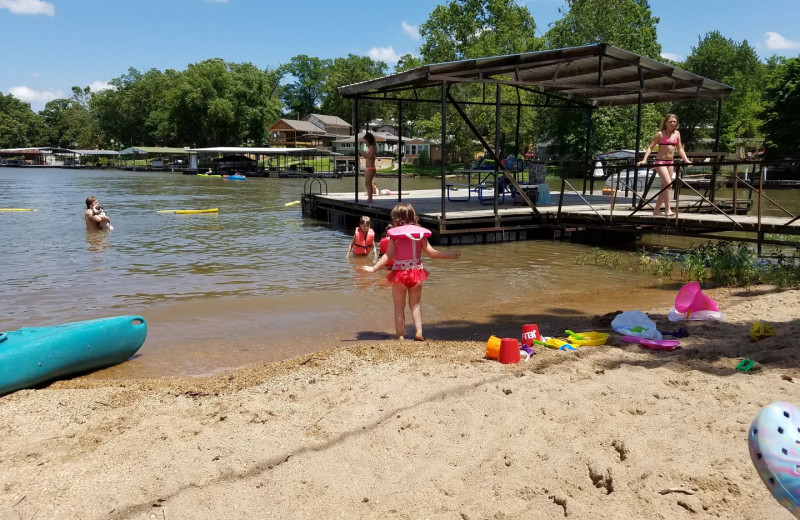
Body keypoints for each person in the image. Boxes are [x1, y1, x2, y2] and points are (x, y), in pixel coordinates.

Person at [362, 202, 461, 341]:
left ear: (395, 219)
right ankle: (419, 332)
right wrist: (449, 255)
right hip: (416, 274)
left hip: (399, 275)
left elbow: (388, 255)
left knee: (399, 307)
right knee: (416, 305)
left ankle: (400, 335)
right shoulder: (419, 234)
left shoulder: (394, 236)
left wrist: (374, 268)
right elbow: (432, 253)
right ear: (414, 217)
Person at [637, 113, 692, 216]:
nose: (673, 123)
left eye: (675, 122)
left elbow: (680, 149)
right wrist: (644, 160)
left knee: (664, 186)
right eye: (670, 121)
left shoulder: (677, 134)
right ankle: (668, 210)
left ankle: (657, 210)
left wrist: (686, 160)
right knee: (668, 184)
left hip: (670, 162)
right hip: (660, 162)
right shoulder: (660, 134)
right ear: (666, 123)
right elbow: (650, 147)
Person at [359, 132, 378, 202]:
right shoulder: (370, 147)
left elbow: (370, 156)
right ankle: (370, 198)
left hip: (371, 168)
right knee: (367, 183)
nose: (365, 143)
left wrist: (363, 153)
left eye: (365, 141)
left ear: (369, 140)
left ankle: (370, 198)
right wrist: (363, 154)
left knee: (368, 183)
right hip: (368, 168)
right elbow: (368, 157)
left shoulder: (372, 147)